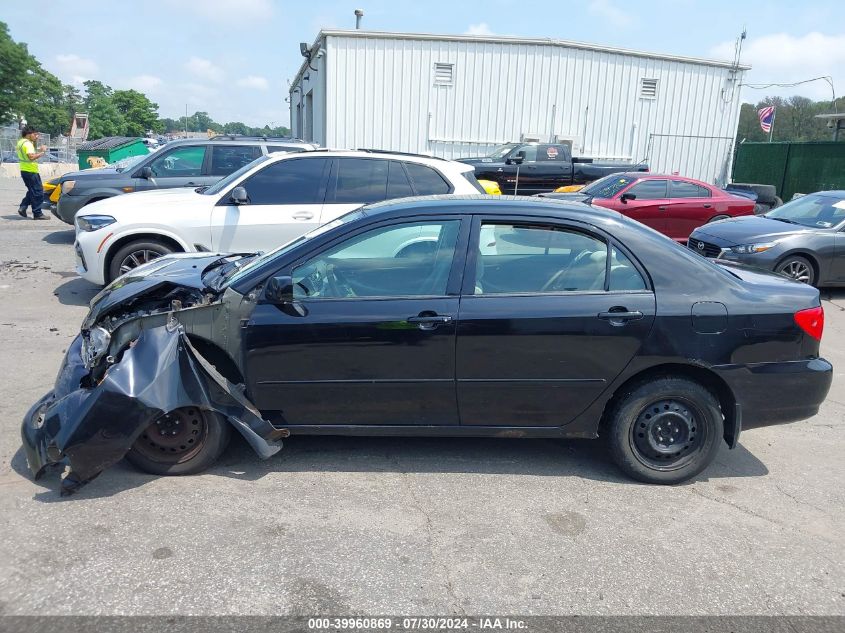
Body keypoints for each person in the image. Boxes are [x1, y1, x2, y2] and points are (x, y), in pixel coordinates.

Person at [16, 125, 49, 220]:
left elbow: (28, 154)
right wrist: (42, 152)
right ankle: (37, 213)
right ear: (28, 134)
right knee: (38, 192)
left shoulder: (21, 142)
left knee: (32, 191)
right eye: (35, 134)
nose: (37, 136)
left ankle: (23, 207)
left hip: (24, 170)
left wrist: (37, 150)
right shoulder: (28, 144)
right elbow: (31, 157)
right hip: (31, 171)